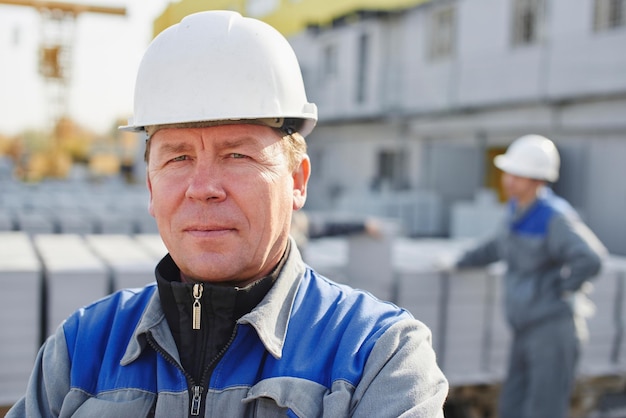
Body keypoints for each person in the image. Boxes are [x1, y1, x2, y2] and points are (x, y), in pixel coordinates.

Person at [7, 11, 448, 417]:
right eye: (177, 159)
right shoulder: (80, 349)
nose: (203, 189)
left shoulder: (377, 354)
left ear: (297, 181)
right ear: (150, 186)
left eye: (237, 155)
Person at [438, 134, 606, 418]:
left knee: (545, 409)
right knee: (512, 405)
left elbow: (591, 258)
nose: (508, 180)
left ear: (538, 180)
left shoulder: (554, 217)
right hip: (525, 327)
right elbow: (495, 247)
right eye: (508, 173)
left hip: (552, 329)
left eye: (518, 175)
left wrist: (561, 289)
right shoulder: (516, 210)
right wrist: (458, 261)